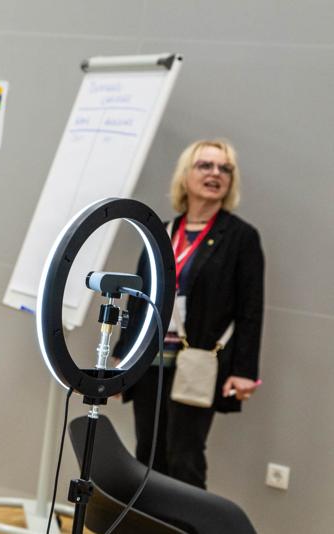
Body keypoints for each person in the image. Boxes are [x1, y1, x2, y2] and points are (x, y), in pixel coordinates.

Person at [114, 139, 264, 489]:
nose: (215, 173)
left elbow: (250, 309)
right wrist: (122, 357)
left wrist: (244, 371)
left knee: (185, 458)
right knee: (148, 454)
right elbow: (137, 299)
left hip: (196, 363)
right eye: (205, 166)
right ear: (185, 176)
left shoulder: (241, 237)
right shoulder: (162, 231)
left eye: (224, 168)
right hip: (150, 362)